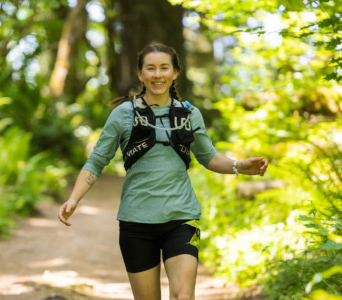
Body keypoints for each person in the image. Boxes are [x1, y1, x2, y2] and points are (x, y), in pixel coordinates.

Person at [58, 42, 268, 300]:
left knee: (183, 296)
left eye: (164, 68)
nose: (157, 75)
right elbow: (97, 161)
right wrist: (73, 198)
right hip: (136, 223)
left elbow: (208, 156)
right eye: (150, 69)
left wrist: (239, 166)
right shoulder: (123, 114)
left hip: (181, 219)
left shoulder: (189, 114)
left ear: (175, 72)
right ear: (140, 74)